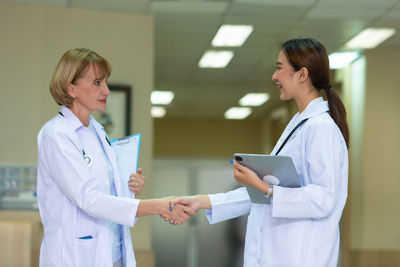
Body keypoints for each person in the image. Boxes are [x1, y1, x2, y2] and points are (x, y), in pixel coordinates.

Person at [174, 38, 349, 267]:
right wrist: (202, 201)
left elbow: (323, 199)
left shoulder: (321, 128)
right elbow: (263, 196)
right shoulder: (299, 125)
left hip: (301, 258)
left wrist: (264, 188)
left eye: (279, 68)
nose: (274, 76)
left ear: (302, 74)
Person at [37, 48, 194, 267]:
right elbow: (88, 198)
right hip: (76, 256)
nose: (107, 91)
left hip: (112, 251)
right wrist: (158, 206)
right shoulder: (56, 135)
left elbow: (105, 190)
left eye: (106, 82)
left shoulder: (97, 131)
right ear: (71, 88)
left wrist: (127, 186)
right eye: (97, 83)